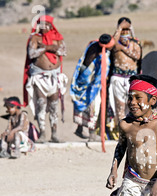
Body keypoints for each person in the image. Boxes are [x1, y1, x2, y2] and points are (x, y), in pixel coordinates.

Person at [24, 15, 67, 143]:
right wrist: (48, 48)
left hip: (54, 76)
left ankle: (54, 133)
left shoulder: (58, 38)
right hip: (39, 77)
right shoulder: (35, 38)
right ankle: (42, 133)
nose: (43, 27)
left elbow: (63, 51)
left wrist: (45, 48)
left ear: (50, 25)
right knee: (41, 104)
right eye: (41, 25)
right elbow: (31, 54)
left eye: (46, 24)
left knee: (54, 106)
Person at [70, 34, 115, 142]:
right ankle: (92, 134)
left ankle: (79, 128)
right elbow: (94, 71)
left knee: (85, 104)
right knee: (93, 107)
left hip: (84, 81)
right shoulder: (100, 55)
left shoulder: (93, 45)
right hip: (91, 84)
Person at [109, 17, 142, 130]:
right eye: (122, 30)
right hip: (118, 78)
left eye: (126, 29)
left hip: (131, 79)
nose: (124, 32)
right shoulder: (114, 43)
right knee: (120, 108)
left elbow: (137, 56)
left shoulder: (135, 43)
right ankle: (122, 134)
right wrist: (119, 28)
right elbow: (112, 45)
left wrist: (122, 48)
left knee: (133, 107)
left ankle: (131, 132)